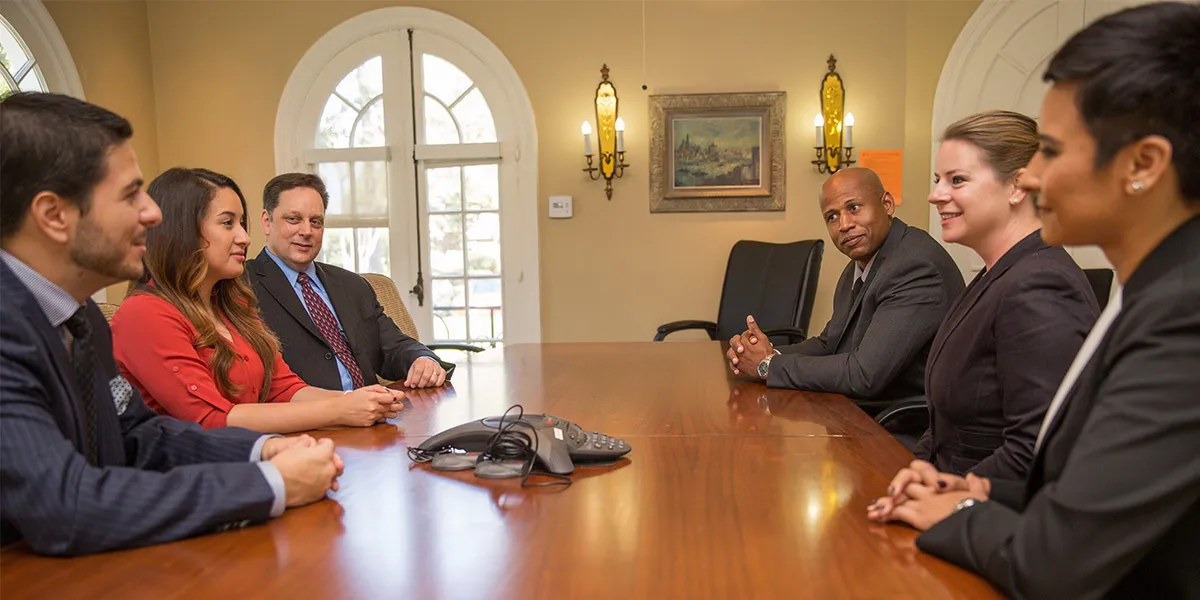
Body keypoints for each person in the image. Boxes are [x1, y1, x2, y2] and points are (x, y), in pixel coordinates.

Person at [867, 4, 1200, 597]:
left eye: (1050, 149)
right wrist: (979, 490)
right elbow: (1074, 479)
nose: (1035, 175)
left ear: (1143, 165)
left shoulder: (1183, 313)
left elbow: (1056, 561)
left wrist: (958, 514)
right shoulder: (1154, 289)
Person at [0, 92, 341, 556]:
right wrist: (268, 484)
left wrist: (260, 452)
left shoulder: (82, 321)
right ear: (53, 216)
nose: (153, 213)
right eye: (128, 195)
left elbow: (138, 436)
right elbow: (64, 507)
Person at [111, 168, 405, 433]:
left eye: (241, 223)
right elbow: (210, 420)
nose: (244, 237)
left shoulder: (232, 303)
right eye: (227, 223)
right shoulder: (144, 313)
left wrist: (361, 400)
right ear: (182, 231)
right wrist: (339, 409)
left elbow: (283, 388)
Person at [915, 110, 1099, 479]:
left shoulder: (1040, 286)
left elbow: (1036, 450)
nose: (935, 195)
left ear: (1017, 186)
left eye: (957, 180)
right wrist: (917, 469)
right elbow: (952, 426)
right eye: (938, 180)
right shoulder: (997, 274)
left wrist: (949, 495)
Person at [728, 168, 964, 411]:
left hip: (903, 427)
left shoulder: (914, 267)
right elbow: (830, 343)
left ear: (887, 204)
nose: (844, 225)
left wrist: (768, 365)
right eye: (832, 217)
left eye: (854, 208)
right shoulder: (857, 269)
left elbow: (864, 375)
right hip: (861, 413)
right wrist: (765, 353)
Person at [247, 173, 451, 392]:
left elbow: (393, 345)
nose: (306, 231)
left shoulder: (352, 285)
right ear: (267, 222)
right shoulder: (241, 287)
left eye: (316, 222)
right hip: (307, 420)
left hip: (377, 414)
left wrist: (421, 359)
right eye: (294, 219)